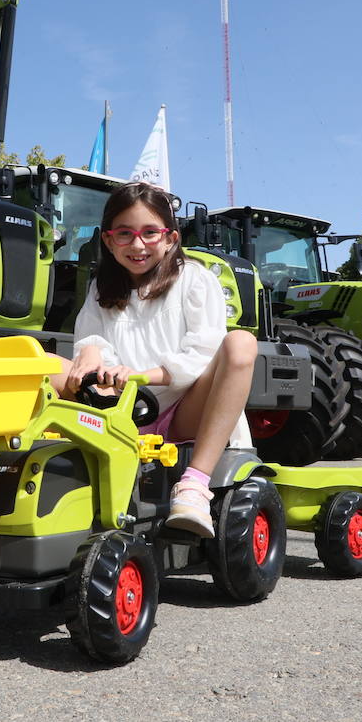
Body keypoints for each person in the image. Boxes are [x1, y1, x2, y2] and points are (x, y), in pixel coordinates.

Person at [54, 181, 257, 538]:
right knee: (42, 364)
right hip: (120, 412)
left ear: (170, 238)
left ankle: (194, 484)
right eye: (124, 234)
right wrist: (89, 352)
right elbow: (93, 338)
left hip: (183, 412)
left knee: (240, 344)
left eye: (150, 233)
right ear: (107, 239)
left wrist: (140, 376)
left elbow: (203, 352)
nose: (137, 245)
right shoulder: (102, 286)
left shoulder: (194, 280)